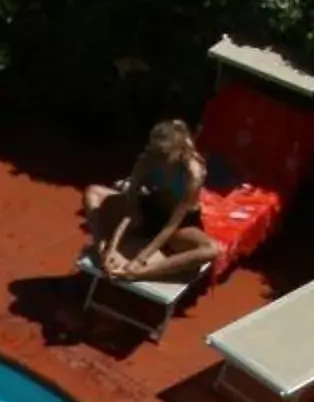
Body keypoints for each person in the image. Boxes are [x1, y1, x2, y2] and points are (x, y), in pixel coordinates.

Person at [81, 121, 218, 284]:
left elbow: (172, 225)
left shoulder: (192, 175)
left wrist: (139, 261)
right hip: (149, 210)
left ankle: (140, 273)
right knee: (93, 193)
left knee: (211, 250)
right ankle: (102, 249)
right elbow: (130, 210)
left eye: (163, 155)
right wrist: (110, 248)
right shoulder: (146, 161)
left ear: (178, 152)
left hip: (177, 226)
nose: (157, 159)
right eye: (155, 153)